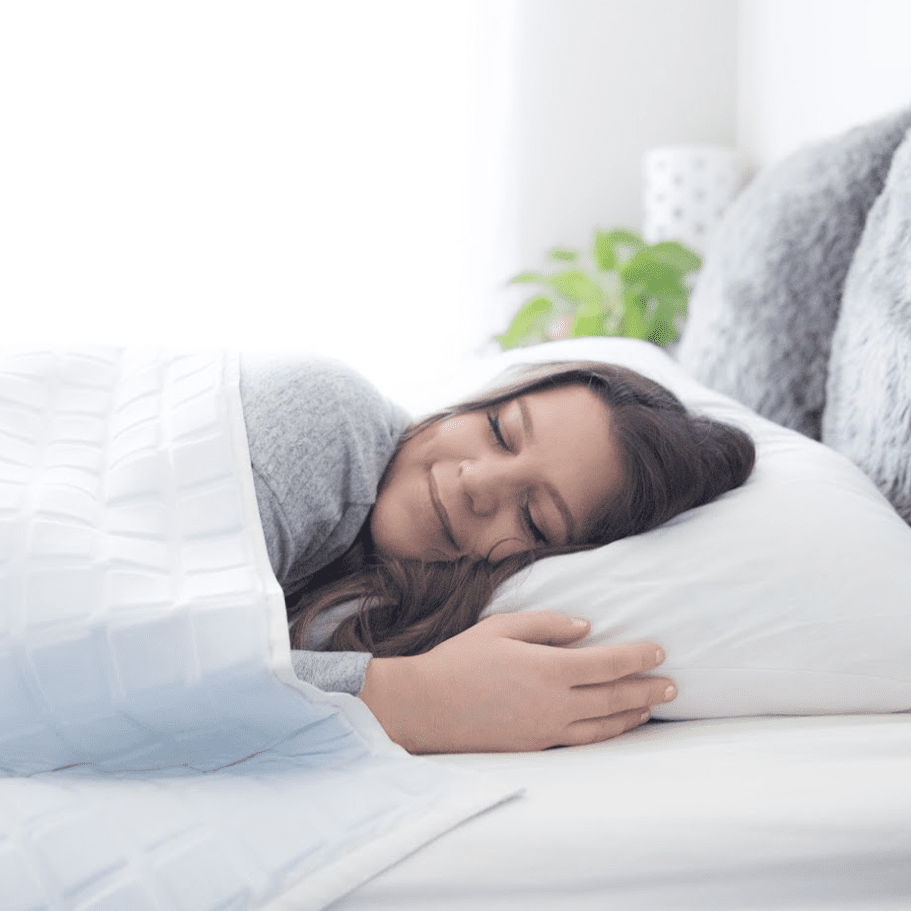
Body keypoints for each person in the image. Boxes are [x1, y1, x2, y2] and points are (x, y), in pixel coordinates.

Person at [239, 354, 756, 754]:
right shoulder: (326, 420)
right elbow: (164, 668)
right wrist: (416, 700)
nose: (478, 482)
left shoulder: (379, 600)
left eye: (533, 517)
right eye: (500, 431)